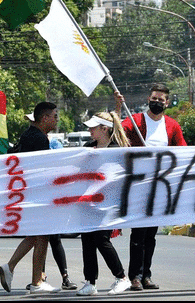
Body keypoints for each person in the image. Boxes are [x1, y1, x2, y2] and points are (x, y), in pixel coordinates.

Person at [114, 83, 186, 292]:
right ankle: (135, 276)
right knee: (138, 233)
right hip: (138, 185)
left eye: (160, 100)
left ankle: (146, 275)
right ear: (148, 99)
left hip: (160, 187)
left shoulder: (172, 125)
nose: (156, 102)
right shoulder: (136, 121)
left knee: (150, 235)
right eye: (153, 98)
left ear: (167, 103)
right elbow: (117, 132)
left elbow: (182, 151)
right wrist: (118, 108)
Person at [0, 102, 64, 294]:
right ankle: (36, 282)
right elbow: (40, 170)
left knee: (36, 235)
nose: (56, 119)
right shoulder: (39, 139)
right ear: (44, 118)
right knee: (42, 236)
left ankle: (11, 267)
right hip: (37, 193)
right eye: (54, 116)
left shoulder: (28, 135)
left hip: (26, 192)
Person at [76, 112, 133, 296]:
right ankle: (90, 282)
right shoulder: (88, 148)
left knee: (101, 239)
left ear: (104, 129)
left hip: (108, 203)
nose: (90, 130)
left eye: (94, 127)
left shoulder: (117, 150)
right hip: (87, 203)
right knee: (87, 242)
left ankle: (122, 277)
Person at [22, 112, 76, 291]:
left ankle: (64, 276)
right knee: (42, 237)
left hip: (54, 193)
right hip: (44, 194)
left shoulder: (53, 143)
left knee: (53, 238)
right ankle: (40, 276)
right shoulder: (32, 139)